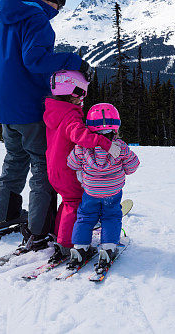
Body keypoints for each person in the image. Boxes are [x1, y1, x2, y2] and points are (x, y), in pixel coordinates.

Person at [0, 0, 94, 252]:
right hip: (31, 107)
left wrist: (4, 87)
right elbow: (35, 61)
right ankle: (38, 230)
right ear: (55, 1)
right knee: (43, 166)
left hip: (5, 107)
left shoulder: (2, 19)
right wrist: (74, 61)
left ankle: (3, 216)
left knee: (14, 160)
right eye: (60, 7)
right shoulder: (38, 20)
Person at [43, 70, 120, 263]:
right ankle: (68, 244)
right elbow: (81, 137)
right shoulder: (70, 116)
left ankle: (60, 236)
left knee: (67, 202)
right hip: (68, 168)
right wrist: (105, 143)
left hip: (54, 168)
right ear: (72, 92)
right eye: (81, 94)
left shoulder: (54, 111)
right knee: (74, 203)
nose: (83, 99)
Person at [67, 103, 139, 272]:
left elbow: (71, 163)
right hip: (112, 192)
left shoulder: (82, 146)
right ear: (116, 127)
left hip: (90, 191)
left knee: (85, 217)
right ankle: (107, 248)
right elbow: (133, 166)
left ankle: (80, 248)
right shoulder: (120, 147)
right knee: (111, 217)